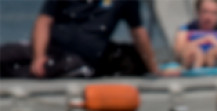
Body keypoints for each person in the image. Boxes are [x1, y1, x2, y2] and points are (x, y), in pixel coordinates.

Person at [0, 0, 159, 79]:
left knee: (44, 70)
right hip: (52, 47)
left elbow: (138, 32)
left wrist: (154, 69)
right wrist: (39, 56)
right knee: (7, 53)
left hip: (82, 60)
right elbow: (44, 20)